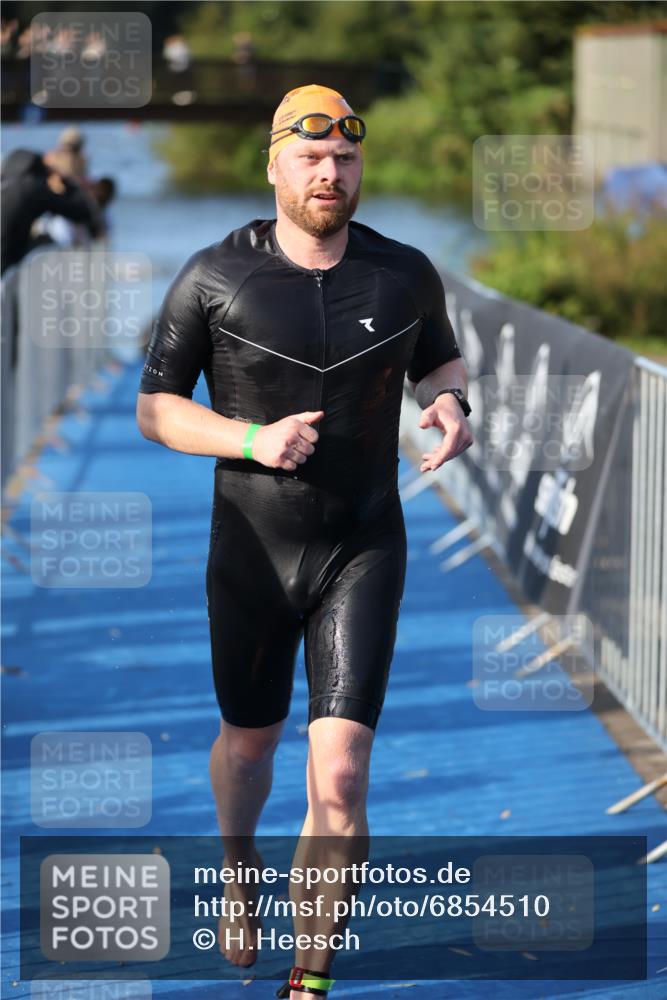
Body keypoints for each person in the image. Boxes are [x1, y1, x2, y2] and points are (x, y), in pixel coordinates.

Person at [136, 84, 473, 998]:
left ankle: (309, 978)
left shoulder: (404, 272)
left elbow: (437, 359)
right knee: (250, 747)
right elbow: (155, 408)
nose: (331, 173)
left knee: (344, 771)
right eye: (312, 158)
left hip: (362, 543)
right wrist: (251, 440)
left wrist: (449, 401)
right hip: (252, 546)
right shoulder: (214, 276)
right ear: (274, 167)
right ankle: (237, 865)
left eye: (346, 159)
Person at [1, 148, 101, 274]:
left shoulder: (6, 182)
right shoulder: (34, 187)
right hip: (5, 264)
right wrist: (66, 181)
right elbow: (84, 212)